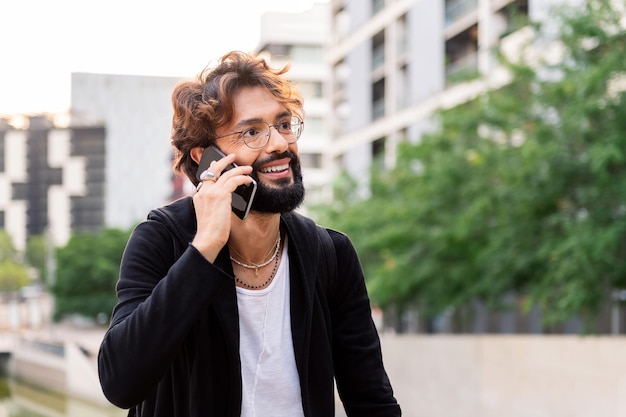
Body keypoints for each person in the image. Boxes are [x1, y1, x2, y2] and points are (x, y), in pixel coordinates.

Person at [98, 50, 401, 417]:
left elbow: (372, 401)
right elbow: (120, 383)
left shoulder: (329, 254)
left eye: (284, 124)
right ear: (205, 158)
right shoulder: (162, 240)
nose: (278, 144)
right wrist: (204, 248)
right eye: (252, 132)